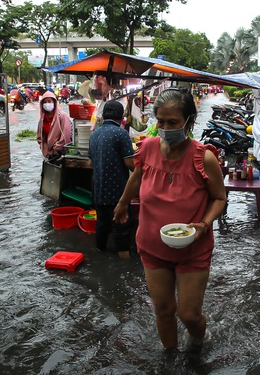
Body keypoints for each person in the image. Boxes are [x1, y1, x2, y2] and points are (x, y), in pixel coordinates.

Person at [113, 89, 227, 350]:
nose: (164, 128)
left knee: (189, 314)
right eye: (160, 121)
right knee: (163, 310)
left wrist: (203, 225)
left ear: (189, 121)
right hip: (153, 246)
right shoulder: (148, 148)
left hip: (193, 248)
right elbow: (137, 176)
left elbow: (219, 198)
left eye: (172, 123)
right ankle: (171, 358)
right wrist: (122, 204)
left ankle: (200, 339)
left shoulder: (204, 157)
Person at [89, 101, 135, 259]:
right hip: (116, 190)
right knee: (121, 226)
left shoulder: (94, 134)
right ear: (122, 116)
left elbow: (91, 160)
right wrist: (144, 173)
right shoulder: (121, 134)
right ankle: (125, 265)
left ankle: (99, 255)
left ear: (103, 115)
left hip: (98, 189)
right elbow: (130, 163)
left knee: (102, 224)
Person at [36, 92, 72, 160]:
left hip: (60, 153)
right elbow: (39, 136)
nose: (47, 104)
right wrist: (43, 147)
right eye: (45, 102)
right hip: (47, 154)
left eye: (49, 101)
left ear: (54, 102)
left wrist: (57, 148)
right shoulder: (42, 119)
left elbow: (66, 135)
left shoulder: (62, 116)